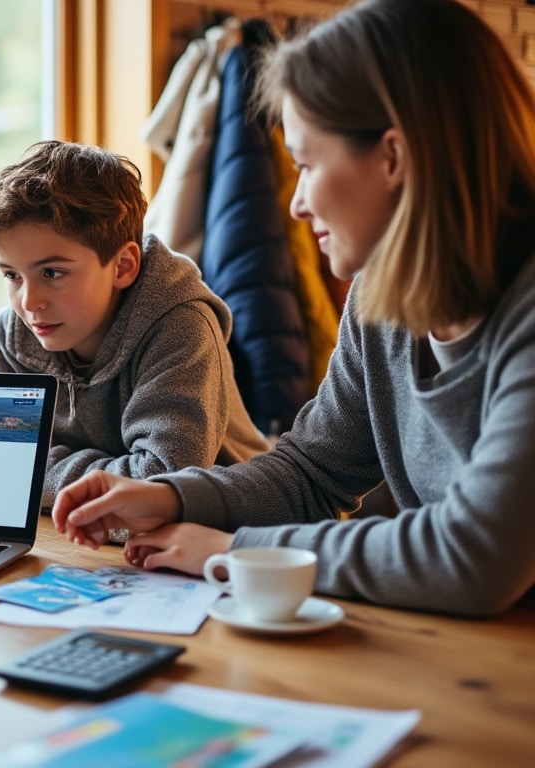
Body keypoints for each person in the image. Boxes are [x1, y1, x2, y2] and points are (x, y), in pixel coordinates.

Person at [52, 0, 535, 618]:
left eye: (306, 165)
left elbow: (474, 557)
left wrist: (235, 550)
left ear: (394, 157)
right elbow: (311, 472)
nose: (297, 205)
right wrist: (167, 498)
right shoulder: (382, 298)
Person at [0, 140, 268, 531]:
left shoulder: (181, 327)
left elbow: (160, 485)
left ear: (123, 266)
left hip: (225, 537)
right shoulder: (12, 333)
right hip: (83, 535)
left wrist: (31, 470)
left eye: (52, 273)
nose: (29, 300)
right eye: (11, 275)